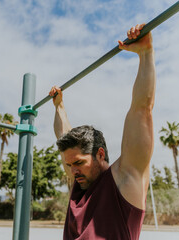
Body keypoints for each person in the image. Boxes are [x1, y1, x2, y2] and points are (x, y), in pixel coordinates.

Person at [49, 23, 155, 240]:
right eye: (69, 165)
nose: (72, 170)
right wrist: (59, 107)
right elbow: (62, 136)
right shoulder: (79, 183)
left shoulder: (124, 178)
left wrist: (145, 53)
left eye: (78, 163)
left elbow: (141, 110)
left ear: (100, 153)